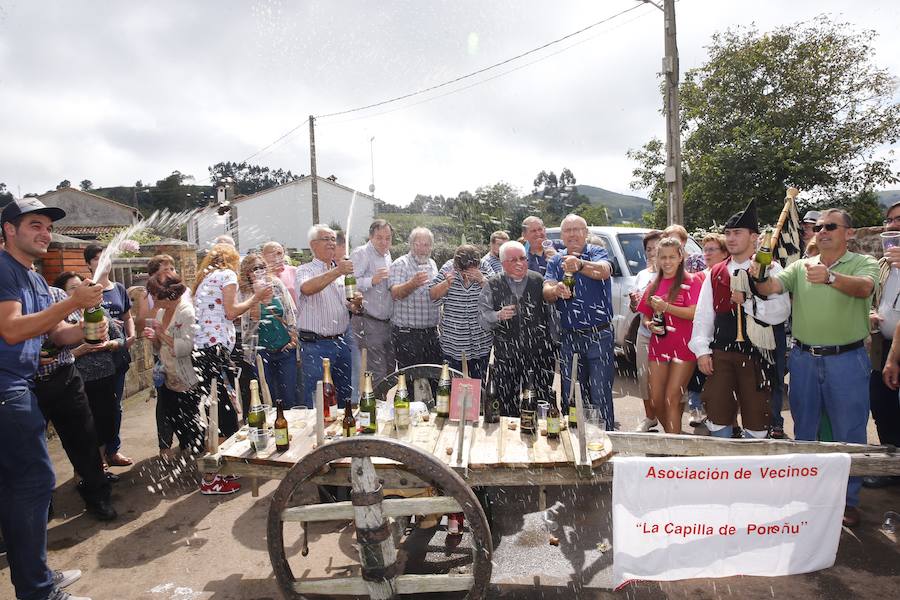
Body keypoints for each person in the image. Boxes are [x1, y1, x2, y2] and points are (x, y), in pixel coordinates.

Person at [0, 198, 101, 600]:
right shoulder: (3, 268)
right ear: (9, 230)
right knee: (35, 483)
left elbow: (58, 335)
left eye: (47, 227)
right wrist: (74, 301)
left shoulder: (38, 280)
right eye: (34, 225)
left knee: (20, 487)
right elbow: (10, 330)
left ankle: (35, 576)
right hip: (7, 389)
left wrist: (89, 325)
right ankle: (37, 590)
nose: (44, 234)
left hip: (21, 387)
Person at [752, 208, 879, 528]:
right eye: (818, 227)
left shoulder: (864, 263)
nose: (821, 231)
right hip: (804, 360)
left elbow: (865, 288)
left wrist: (832, 276)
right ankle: (807, 496)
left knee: (849, 434)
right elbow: (769, 289)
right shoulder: (800, 266)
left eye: (830, 226)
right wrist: (759, 274)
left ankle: (847, 501)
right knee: (805, 431)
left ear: (848, 233)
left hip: (847, 360)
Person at [690, 201, 791, 441]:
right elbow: (704, 315)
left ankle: (752, 471)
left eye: (737, 233)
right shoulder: (715, 273)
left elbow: (781, 312)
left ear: (754, 237)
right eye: (728, 233)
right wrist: (702, 351)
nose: (731, 238)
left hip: (757, 356)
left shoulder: (772, 270)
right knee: (717, 413)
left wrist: (748, 301)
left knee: (757, 417)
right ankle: (723, 469)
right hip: (721, 354)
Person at [34, 277, 117, 522]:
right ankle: (40, 507)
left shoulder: (56, 295)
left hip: (64, 378)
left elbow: (67, 335)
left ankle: (98, 496)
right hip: (26, 384)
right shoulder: (9, 298)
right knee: (31, 450)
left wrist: (85, 328)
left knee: (84, 440)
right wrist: (28, 355)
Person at [194, 243, 270, 494]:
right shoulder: (226, 275)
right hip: (214, 350)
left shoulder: (205, 278)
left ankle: (219, 470)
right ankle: (213, 476)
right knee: (222, 412)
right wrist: (256, 298)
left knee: (215, 409)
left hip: (203, 351)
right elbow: (231, 312)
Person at [543, 214, 616, 429]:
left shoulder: (596, 252)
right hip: (569, 337)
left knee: (600, 393)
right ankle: (574, 443)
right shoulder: (556, 260)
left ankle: (604, 443)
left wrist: (580, 264)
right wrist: (555, 290)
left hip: (599, 335)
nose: (573, 234)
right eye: (568, 230)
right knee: (571, 392)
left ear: (586, 233)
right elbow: (546, 291)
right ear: (562, 235)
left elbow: (604, 270)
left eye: (577, 229)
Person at [479, 241, 556, 416]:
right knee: (506, 405)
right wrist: (497, 315)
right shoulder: (493, 284)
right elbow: (482, 317)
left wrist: (553, 344)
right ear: (503, 262)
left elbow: (553, 315)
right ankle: (508, 440)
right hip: (507, 356)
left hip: (539, 355)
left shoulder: (539, 281)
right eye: (513, 260)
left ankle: (538, 441)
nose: (519, 263)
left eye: (522, 258)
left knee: (539, 403)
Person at [636, 237, 703, 433]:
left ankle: (673, 450)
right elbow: (645, 316)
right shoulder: (655, 284)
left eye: (672, 257)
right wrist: (650, 325)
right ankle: (675, 438)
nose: (667, 262)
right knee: (656, 400)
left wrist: (666, 307)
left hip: (684, 348)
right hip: (659, 347)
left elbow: (694, 313)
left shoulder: (692, 281)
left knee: (672, 399)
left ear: (680, 257)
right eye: (663, 257)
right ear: (657, 259)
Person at [83, 243, 136, 469]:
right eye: (96, 259)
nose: (102, 262)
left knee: (116, 406)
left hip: (116, 355)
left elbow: (127, 316)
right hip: (93, 361)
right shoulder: (87, 290)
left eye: (105, 257)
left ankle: (113, 450)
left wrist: (130, 336)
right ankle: (96, 456)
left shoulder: (119, 289)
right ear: (88, 265)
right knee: (95, 409)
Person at [296, 225, 361, 407]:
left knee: (343, 395)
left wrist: (357, 303)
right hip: (315, 346)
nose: (332, 243)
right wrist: (338, 271)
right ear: (313, 245)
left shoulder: (339, 273)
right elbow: (307, 288)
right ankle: (314, 434)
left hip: (341, 342)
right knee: (317, 396)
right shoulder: (305, 270)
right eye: (326, 239)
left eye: (333, 239)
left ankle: (341, 433)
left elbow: (350, 306)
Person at [144, 273, 202, 460]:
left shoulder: (186, 312)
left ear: (168, 295)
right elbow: (160, 348)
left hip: (186, 375)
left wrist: (160, 334)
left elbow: (186, 347)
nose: (152, 298)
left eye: (155, 294)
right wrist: (155, 340)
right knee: (173, 414)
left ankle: (196, 450)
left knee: (189, 416)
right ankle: (187, 447)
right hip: (168, 375)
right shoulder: (161, 313)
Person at [865, 201, 900, 487]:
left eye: (899, 219)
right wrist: (873, 314)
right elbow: (879, 300)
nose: (893, 225)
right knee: (882, 404)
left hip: (896, 352)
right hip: (883, 346)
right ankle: (891, 468)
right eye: (889, 220)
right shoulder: (883, 264)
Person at [238, 253, 299, 408]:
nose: (259, 271)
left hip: (285, 350)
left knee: (289, 397)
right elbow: (254, 318)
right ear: (247, 273)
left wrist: (293, 339)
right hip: (260, 353)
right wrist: (258, 296)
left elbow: (290, 311)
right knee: (267, 398)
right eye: (254, 268)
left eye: (262, 267)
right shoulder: (244, 292)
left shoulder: (277, 284)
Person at [685, 233, 729, 428]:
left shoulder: (728, 274)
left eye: (712, 249)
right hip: (700, 335)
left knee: (719, 381)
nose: (707, 253)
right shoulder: (697, 277)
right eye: (705, 249)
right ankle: (695, 408)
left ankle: (726, 419)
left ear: (724, 252)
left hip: (721, 335)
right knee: (696, 374)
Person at [430, 245, 493, 380]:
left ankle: (478, 401)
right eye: (462, 270)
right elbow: (432, 295)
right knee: (454, 388)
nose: (465, 274)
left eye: (470, 270)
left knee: (478, 387)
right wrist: (446, 284)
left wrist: (482, 280)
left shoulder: (485, 267)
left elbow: (497, 296)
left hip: (480, 343)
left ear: (477, 263)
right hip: (453, 344)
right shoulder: (448, 267)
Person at [350, 220, 396, 384]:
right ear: (370, 237)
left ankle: (382, 404)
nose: (384, 242)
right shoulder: (361, 253)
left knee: (390, 371)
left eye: (388, 238)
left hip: (386, 323)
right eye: (379, 238)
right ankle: (374, 407)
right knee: (377, 372)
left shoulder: (387, 254)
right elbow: (349, 283)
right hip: (368, 321)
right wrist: (372, 280)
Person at [389, 227, 441, 369]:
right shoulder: (401, 264)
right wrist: (412, 283)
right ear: (411, 245)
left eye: (426, 245)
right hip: (407, 335)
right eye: (417, 244)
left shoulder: (432, 264)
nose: (421, 249)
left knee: (434, 379)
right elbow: (395, 293)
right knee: (410, 381)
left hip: (430, 333)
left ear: (431, 246)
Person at [630, 230, 663, 432]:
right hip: (644, 334)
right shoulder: (642, 275)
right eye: (649, 249)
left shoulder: (676, 274)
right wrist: (634, 303)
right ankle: (650, 417)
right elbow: (636, 308)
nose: (652, 252)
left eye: (656, 248)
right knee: (644, 378)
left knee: (671, 383)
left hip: (670, 337)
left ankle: (672, 424)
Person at [261, 241, 298, 307]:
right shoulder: (259, 275)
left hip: (294, 315)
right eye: (271, 253)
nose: (276, 256)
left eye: (279, 253)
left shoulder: (294, 271)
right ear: (263, 256)